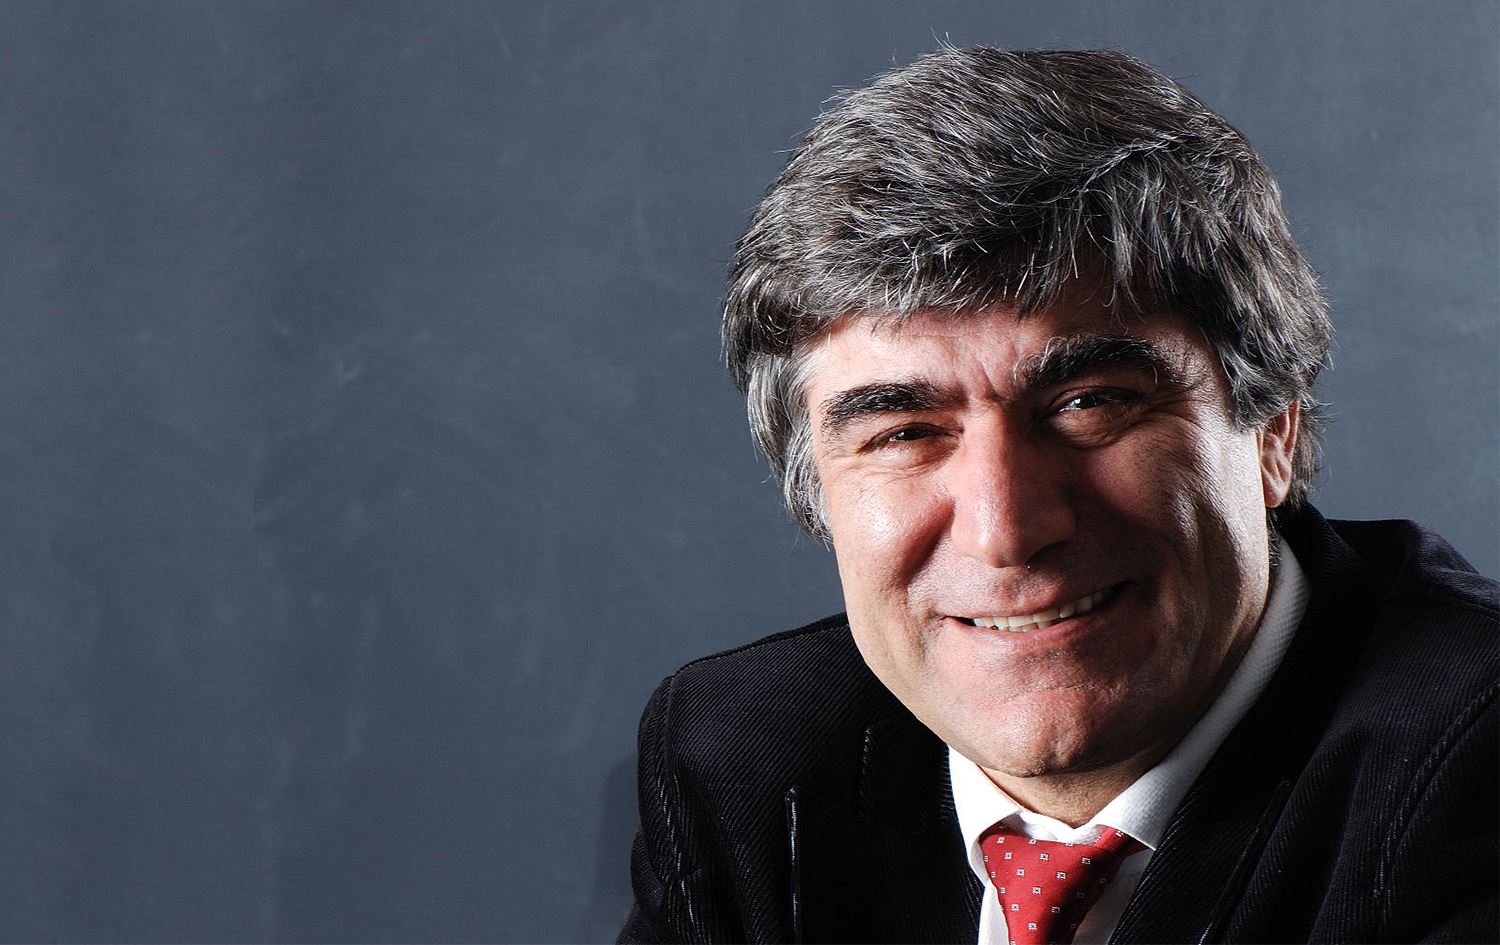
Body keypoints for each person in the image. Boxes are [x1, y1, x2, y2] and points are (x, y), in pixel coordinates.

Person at [619, 47, 1497, 944]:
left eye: (1090, 404)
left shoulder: (1476, 765)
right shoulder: (746, 764)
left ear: (1272, 428)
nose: (1005, 530)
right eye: (906, 433)